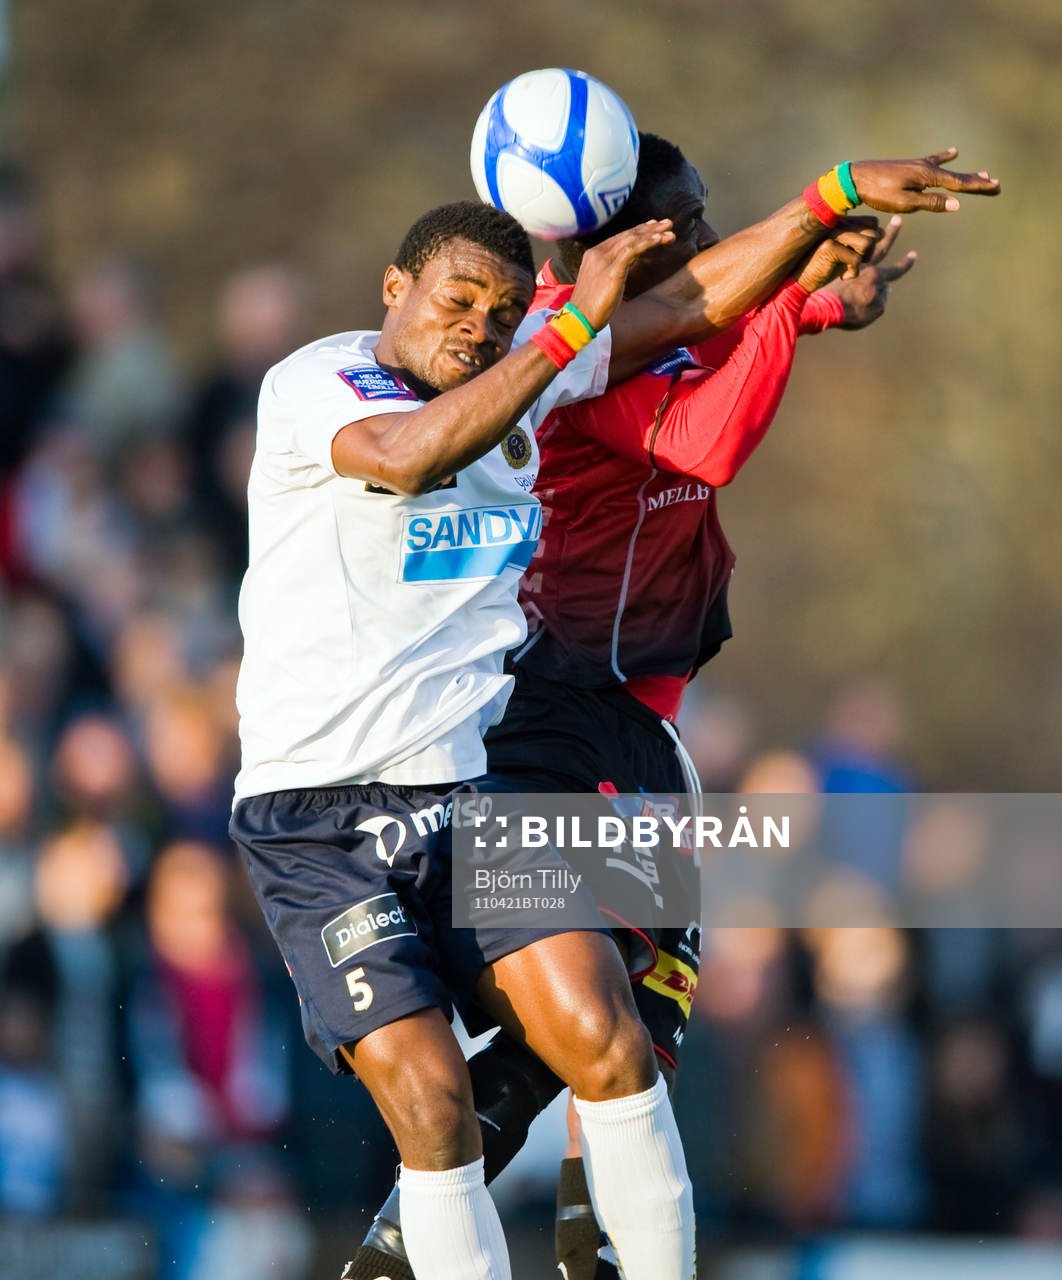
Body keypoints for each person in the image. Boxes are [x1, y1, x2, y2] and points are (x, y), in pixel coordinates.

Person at [314, 153, 998, 1280]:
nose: (713, 240)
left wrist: (821, 299)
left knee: (630, 1020)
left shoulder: (652, 321)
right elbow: (703, 438)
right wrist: (792, 283)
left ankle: (421, 1237)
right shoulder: (564, 348)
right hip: (539, 709)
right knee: (605, 1023)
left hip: (631, 716)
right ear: (630, 243)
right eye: (690, 223)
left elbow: (712, 324)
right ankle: (436, 1237)